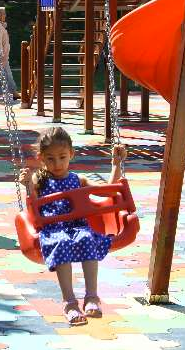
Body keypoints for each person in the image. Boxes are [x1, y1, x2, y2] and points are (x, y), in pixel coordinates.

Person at [18, 127, 127, 326]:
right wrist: (27, 185)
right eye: (50, 159)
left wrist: (116, 164)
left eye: (62, 157)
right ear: (41, 158)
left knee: (86, 238)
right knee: (61, 242)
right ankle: (69, 302)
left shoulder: (78, 179)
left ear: (71, 154)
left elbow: (107, 193)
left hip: (78, 227)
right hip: (53, 229)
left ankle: (92, 297)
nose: (57, 164)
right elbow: (32, 205)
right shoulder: (39, 180)